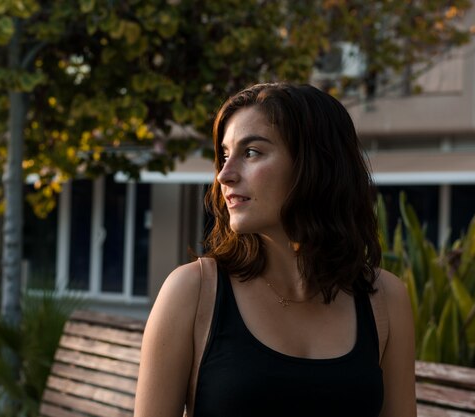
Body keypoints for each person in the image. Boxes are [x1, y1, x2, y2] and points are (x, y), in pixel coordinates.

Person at [134, 82, 416, 417]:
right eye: (224, 155)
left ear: (314, 164)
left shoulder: (384, 298)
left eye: (251, 152)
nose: (225, 175)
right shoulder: (193, 292)